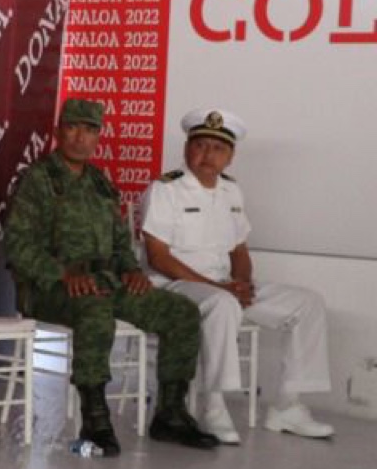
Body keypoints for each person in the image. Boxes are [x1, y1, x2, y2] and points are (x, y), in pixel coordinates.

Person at [3, 97, 216, 456]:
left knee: (181, 312)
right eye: (72, 127)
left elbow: (120, 242)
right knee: (95, 308)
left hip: (104, 283)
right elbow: (16, 246)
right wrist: (62, 274)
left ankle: (171, 414)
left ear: (98, 136)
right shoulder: (37, 179)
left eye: (89, 130)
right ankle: (95, 417)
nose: (80, 137)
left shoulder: (100, 182)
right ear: (58, 131)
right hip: (47, 289)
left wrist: (131, 269)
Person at [141, 108, 334, 443]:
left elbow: (239, 250)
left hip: (223, 285)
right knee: (222, 303)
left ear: (230, 157)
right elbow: (158, 257)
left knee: (307, 303)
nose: (208, 155)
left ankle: (288, 406)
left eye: (218, 148)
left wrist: (242, 283)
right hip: (174, 286)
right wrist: (221, 288)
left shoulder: (231, 191)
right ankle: (214, 407)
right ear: (186, 148)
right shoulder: (165, 189)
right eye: (200, 145)